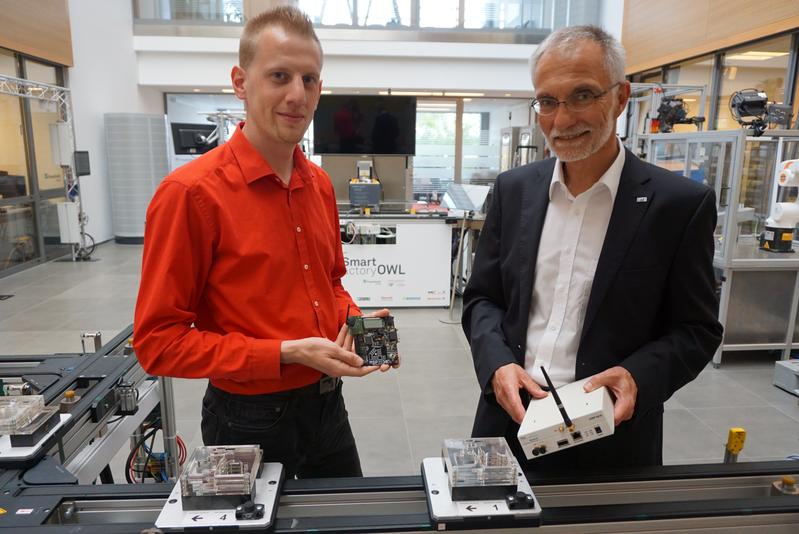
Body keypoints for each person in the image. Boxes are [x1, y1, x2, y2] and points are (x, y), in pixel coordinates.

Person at [133, 6, 392, 479]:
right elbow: (158, 344)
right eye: (279, 76)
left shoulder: (319, 185)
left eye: (310, 80)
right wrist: (284, 353)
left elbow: (331, 283)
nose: (297, 95)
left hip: (328, 409)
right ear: (240, 81)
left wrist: (354, 322)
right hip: (247, 420)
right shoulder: (191, 195)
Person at [462, 25, 723, 471]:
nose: (561, 121)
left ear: (621, 98)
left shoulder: (678, 205)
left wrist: (638, 377)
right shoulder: (514, 190)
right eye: (547, 101)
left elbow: (696, 330)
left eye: (583, 95)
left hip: (613, 435)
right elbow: (484, 298)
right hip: (509, 419)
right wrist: (497, 365)